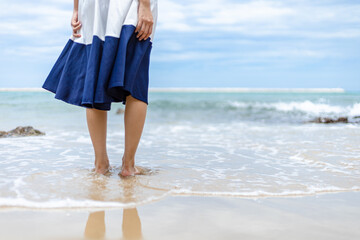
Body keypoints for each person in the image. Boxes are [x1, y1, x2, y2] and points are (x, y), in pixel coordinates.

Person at [42, 0, 158, 177]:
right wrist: (145, 5)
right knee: (136, 79)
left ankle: (101, 165)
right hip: (127, 4)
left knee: (95, 76)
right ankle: (128, 166)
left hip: (92, 5)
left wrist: (76, 8)